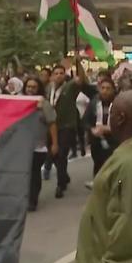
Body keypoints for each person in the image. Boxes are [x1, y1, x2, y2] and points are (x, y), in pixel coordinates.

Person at [76, 90, 132, 263]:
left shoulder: (129, 163)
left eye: (112, 113)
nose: (108, 118)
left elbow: (127, 220)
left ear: (120, 118)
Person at [46, 59, 88, 198]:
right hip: (51, 126)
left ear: (65, 75)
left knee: (62, 154)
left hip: (66, 126)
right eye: (56, 73)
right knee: (52, 155)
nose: (58, 75)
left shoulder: (69, 87)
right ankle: (64, 176)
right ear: (52, 76)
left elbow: (81, 79)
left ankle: (60, 185)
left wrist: (78, 63)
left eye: (61, 73)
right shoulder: (48, 89)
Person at [23, 77, 58, 211]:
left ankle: (33, 201)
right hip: (23, 146)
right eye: (28, 87)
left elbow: (52, 124)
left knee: (34, 173)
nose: (30, 90)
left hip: (38, 146)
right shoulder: (20, 102)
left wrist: (55, 144)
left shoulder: (45, 104)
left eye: (34, 87)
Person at [83, 77, 118, 188]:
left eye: (108, 88)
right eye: (102, 88)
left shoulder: (119, 103)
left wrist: (109, 128)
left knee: (113, 164)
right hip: (97, 139)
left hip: (114, 140)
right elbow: (85, 121)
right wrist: (92, 129)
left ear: (113, 90)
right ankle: (97, 184)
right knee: (98, 163)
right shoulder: (94, 102)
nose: (105, 91)